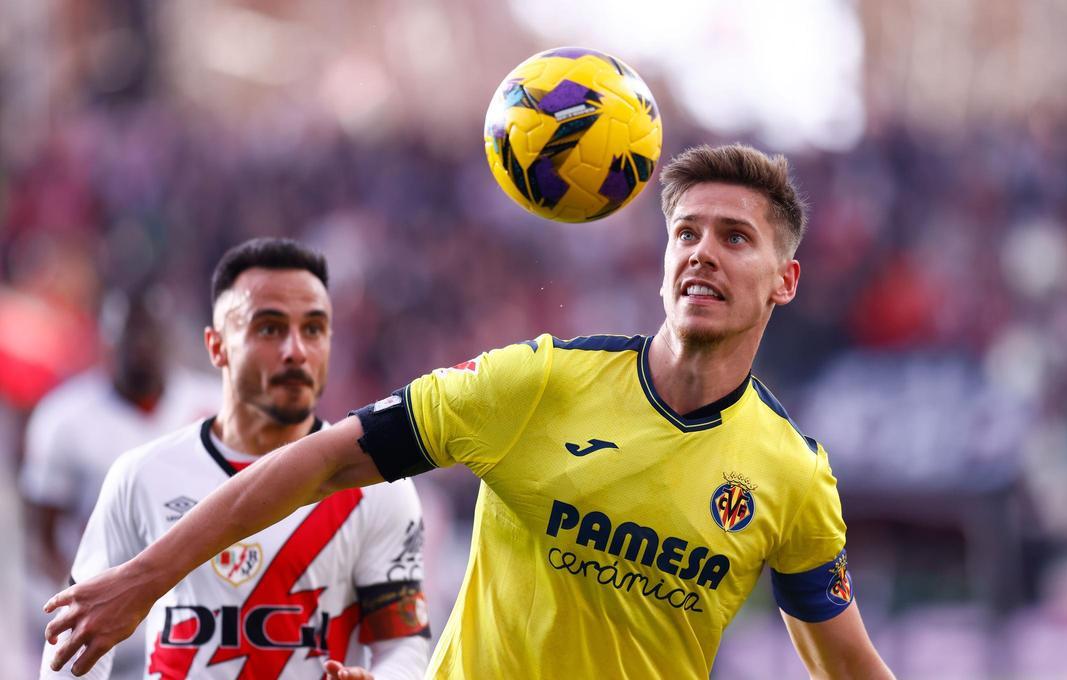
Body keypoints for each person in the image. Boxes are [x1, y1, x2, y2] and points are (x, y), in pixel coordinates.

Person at [45, 145, 892, 679]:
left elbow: (845, 664)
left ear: (785, 281)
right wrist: (143, 577)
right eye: (686, 233)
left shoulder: (791, 475)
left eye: (735, 237)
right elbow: (325, 459)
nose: (702, 250)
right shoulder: (538, 385)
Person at [42, 238, 430, 679]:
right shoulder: (141, 475)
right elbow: (73, 640)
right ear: (216, 346)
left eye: (314, 329)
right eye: (269, 328)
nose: (296, 351)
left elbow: (404, 643)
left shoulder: (377, 489)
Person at [22, 286, 220, 679]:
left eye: (152, 333)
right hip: (104, 621)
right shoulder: (64, 418)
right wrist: (81, 597)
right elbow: (42, 535)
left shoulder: (213, 406)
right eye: (132, 334)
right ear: (108, 341)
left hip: (197, 616)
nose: (142, 345)